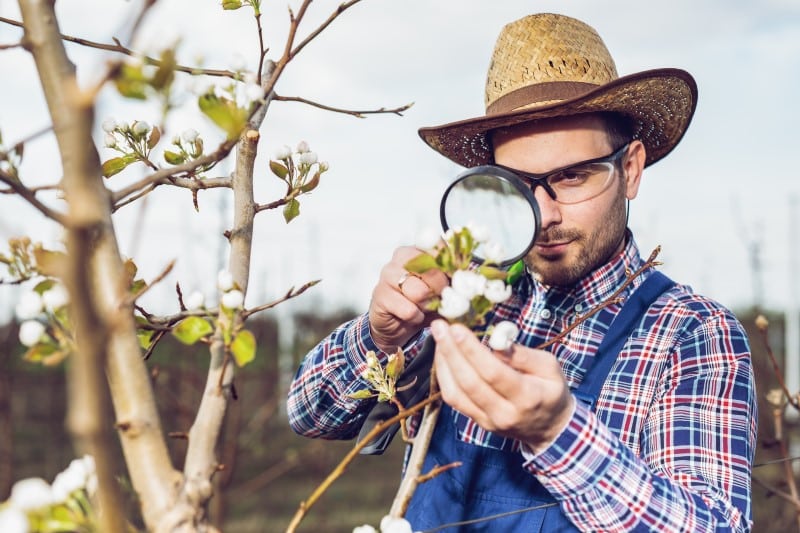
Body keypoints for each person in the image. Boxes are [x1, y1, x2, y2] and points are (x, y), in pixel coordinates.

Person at [288, 12, 756, 532]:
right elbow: (311, 413)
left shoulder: (691, 333)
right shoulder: (466, 301)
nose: (545, 215)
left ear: (630, 169)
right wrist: (380, 337)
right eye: (516, 183)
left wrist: (558, 433)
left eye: (573, 176)